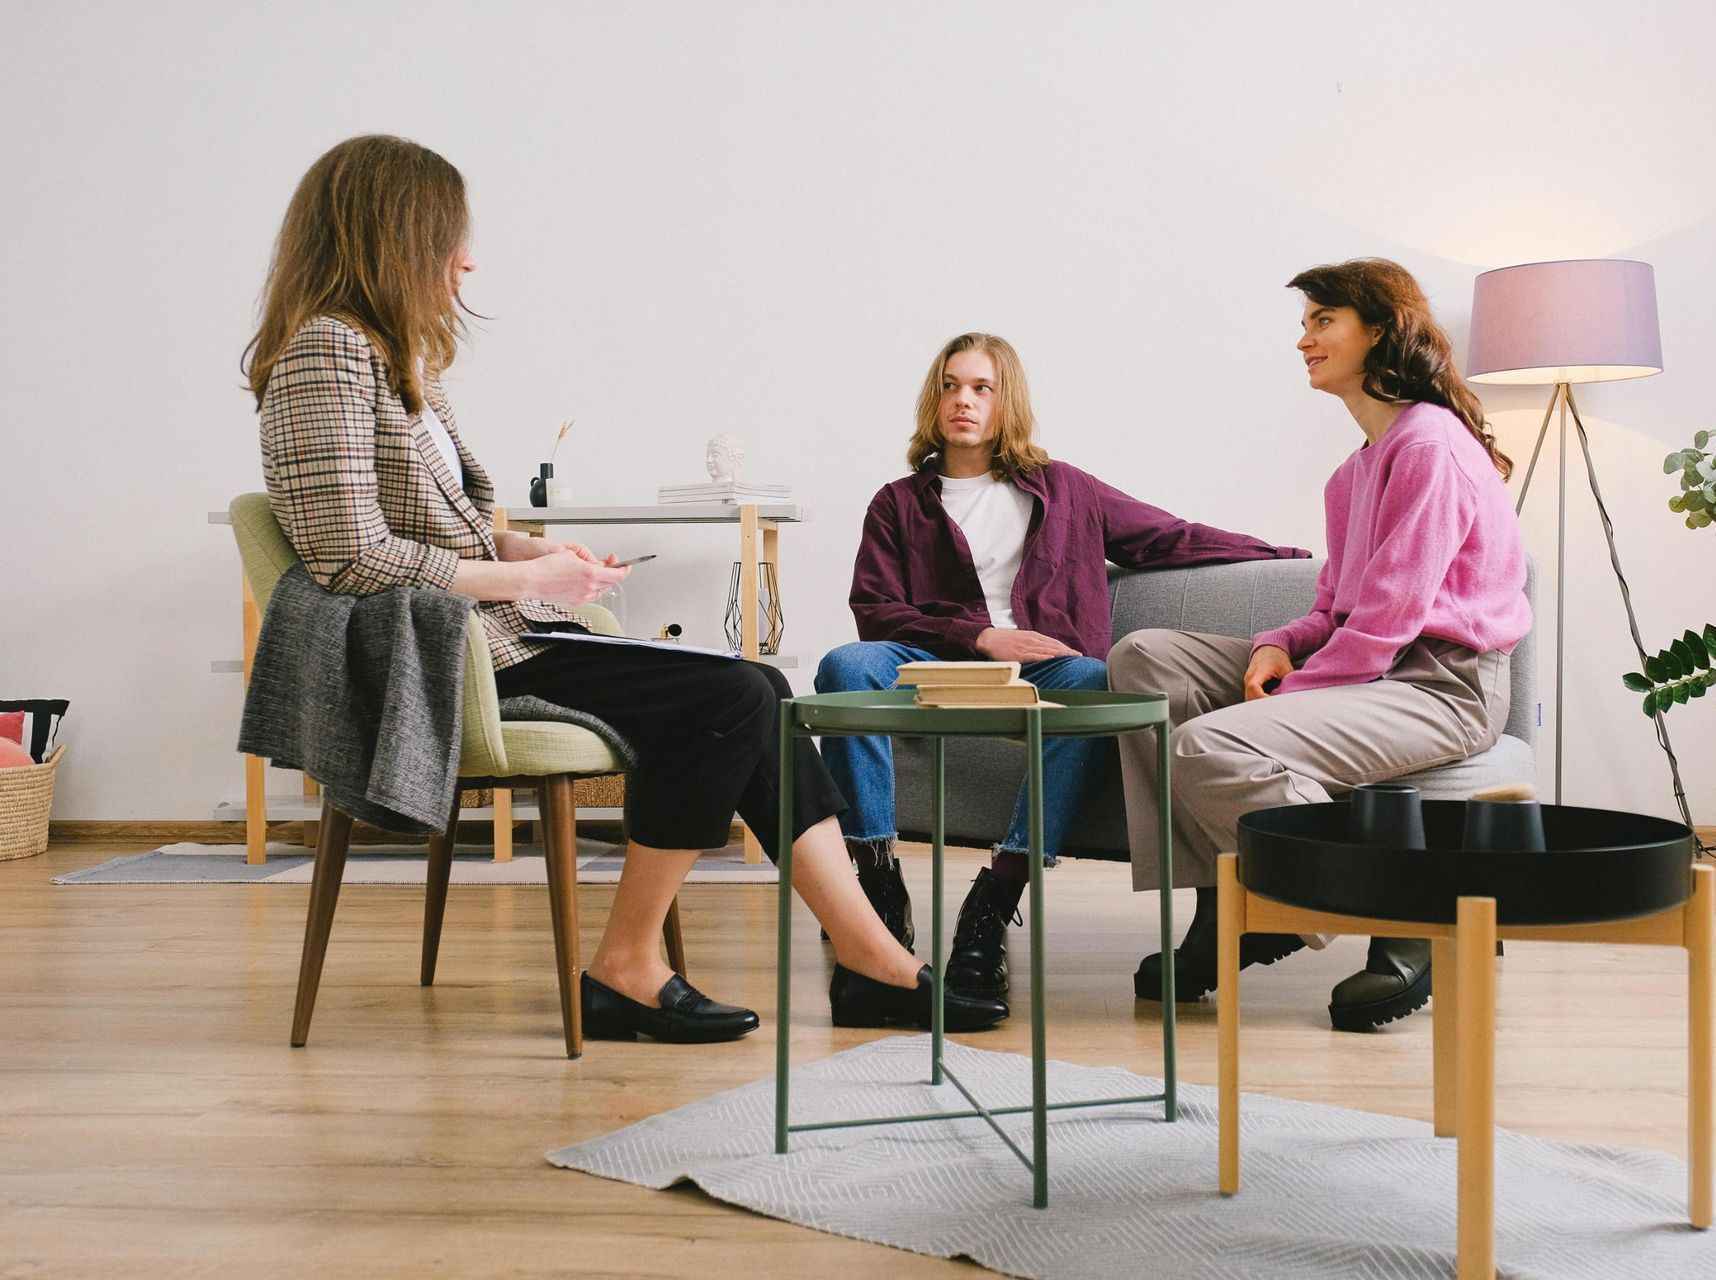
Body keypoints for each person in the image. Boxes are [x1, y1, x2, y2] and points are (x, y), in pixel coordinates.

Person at [244, 135, 1008, 1044]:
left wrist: (533, 546)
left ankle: (866, 959)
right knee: (729, 696)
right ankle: (643, 967)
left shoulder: (406, 359)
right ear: (392, 235)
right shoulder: (322, 353)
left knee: (756, 689)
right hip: (441, 656)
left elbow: (440, 517)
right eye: (451, 236)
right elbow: (350, 558)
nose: (467, 259)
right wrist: (530, 576)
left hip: (497, 630)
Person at [814, 331, 1306, 1006]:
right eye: (952, 386)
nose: (964, 400)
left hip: (1047, 672)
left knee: (1095, 681)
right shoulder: (898, 503)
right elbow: (876, 611)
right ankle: (874, 887)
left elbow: (1170, 537)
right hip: (934, 663)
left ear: (1005, 400)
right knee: (845, 664)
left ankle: (995, 898)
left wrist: (1287, 554)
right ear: (935, 400)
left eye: (981, 388)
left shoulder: (1066, 489)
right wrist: (981, 636)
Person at [1110, 258, 1530, 1031]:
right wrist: (1275, 647)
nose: (1303, 339)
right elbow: (1339, 609)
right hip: (1377, 667)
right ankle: (1229, 910)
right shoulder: (1355, 472)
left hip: (1441, 687)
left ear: (1379, 329)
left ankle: (1406, 907)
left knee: (1207, 747)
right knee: (1144, 658)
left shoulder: (1430, 446)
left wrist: (1293, 693)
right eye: (1304, 324)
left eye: (1321, 321)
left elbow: (1389, 623)